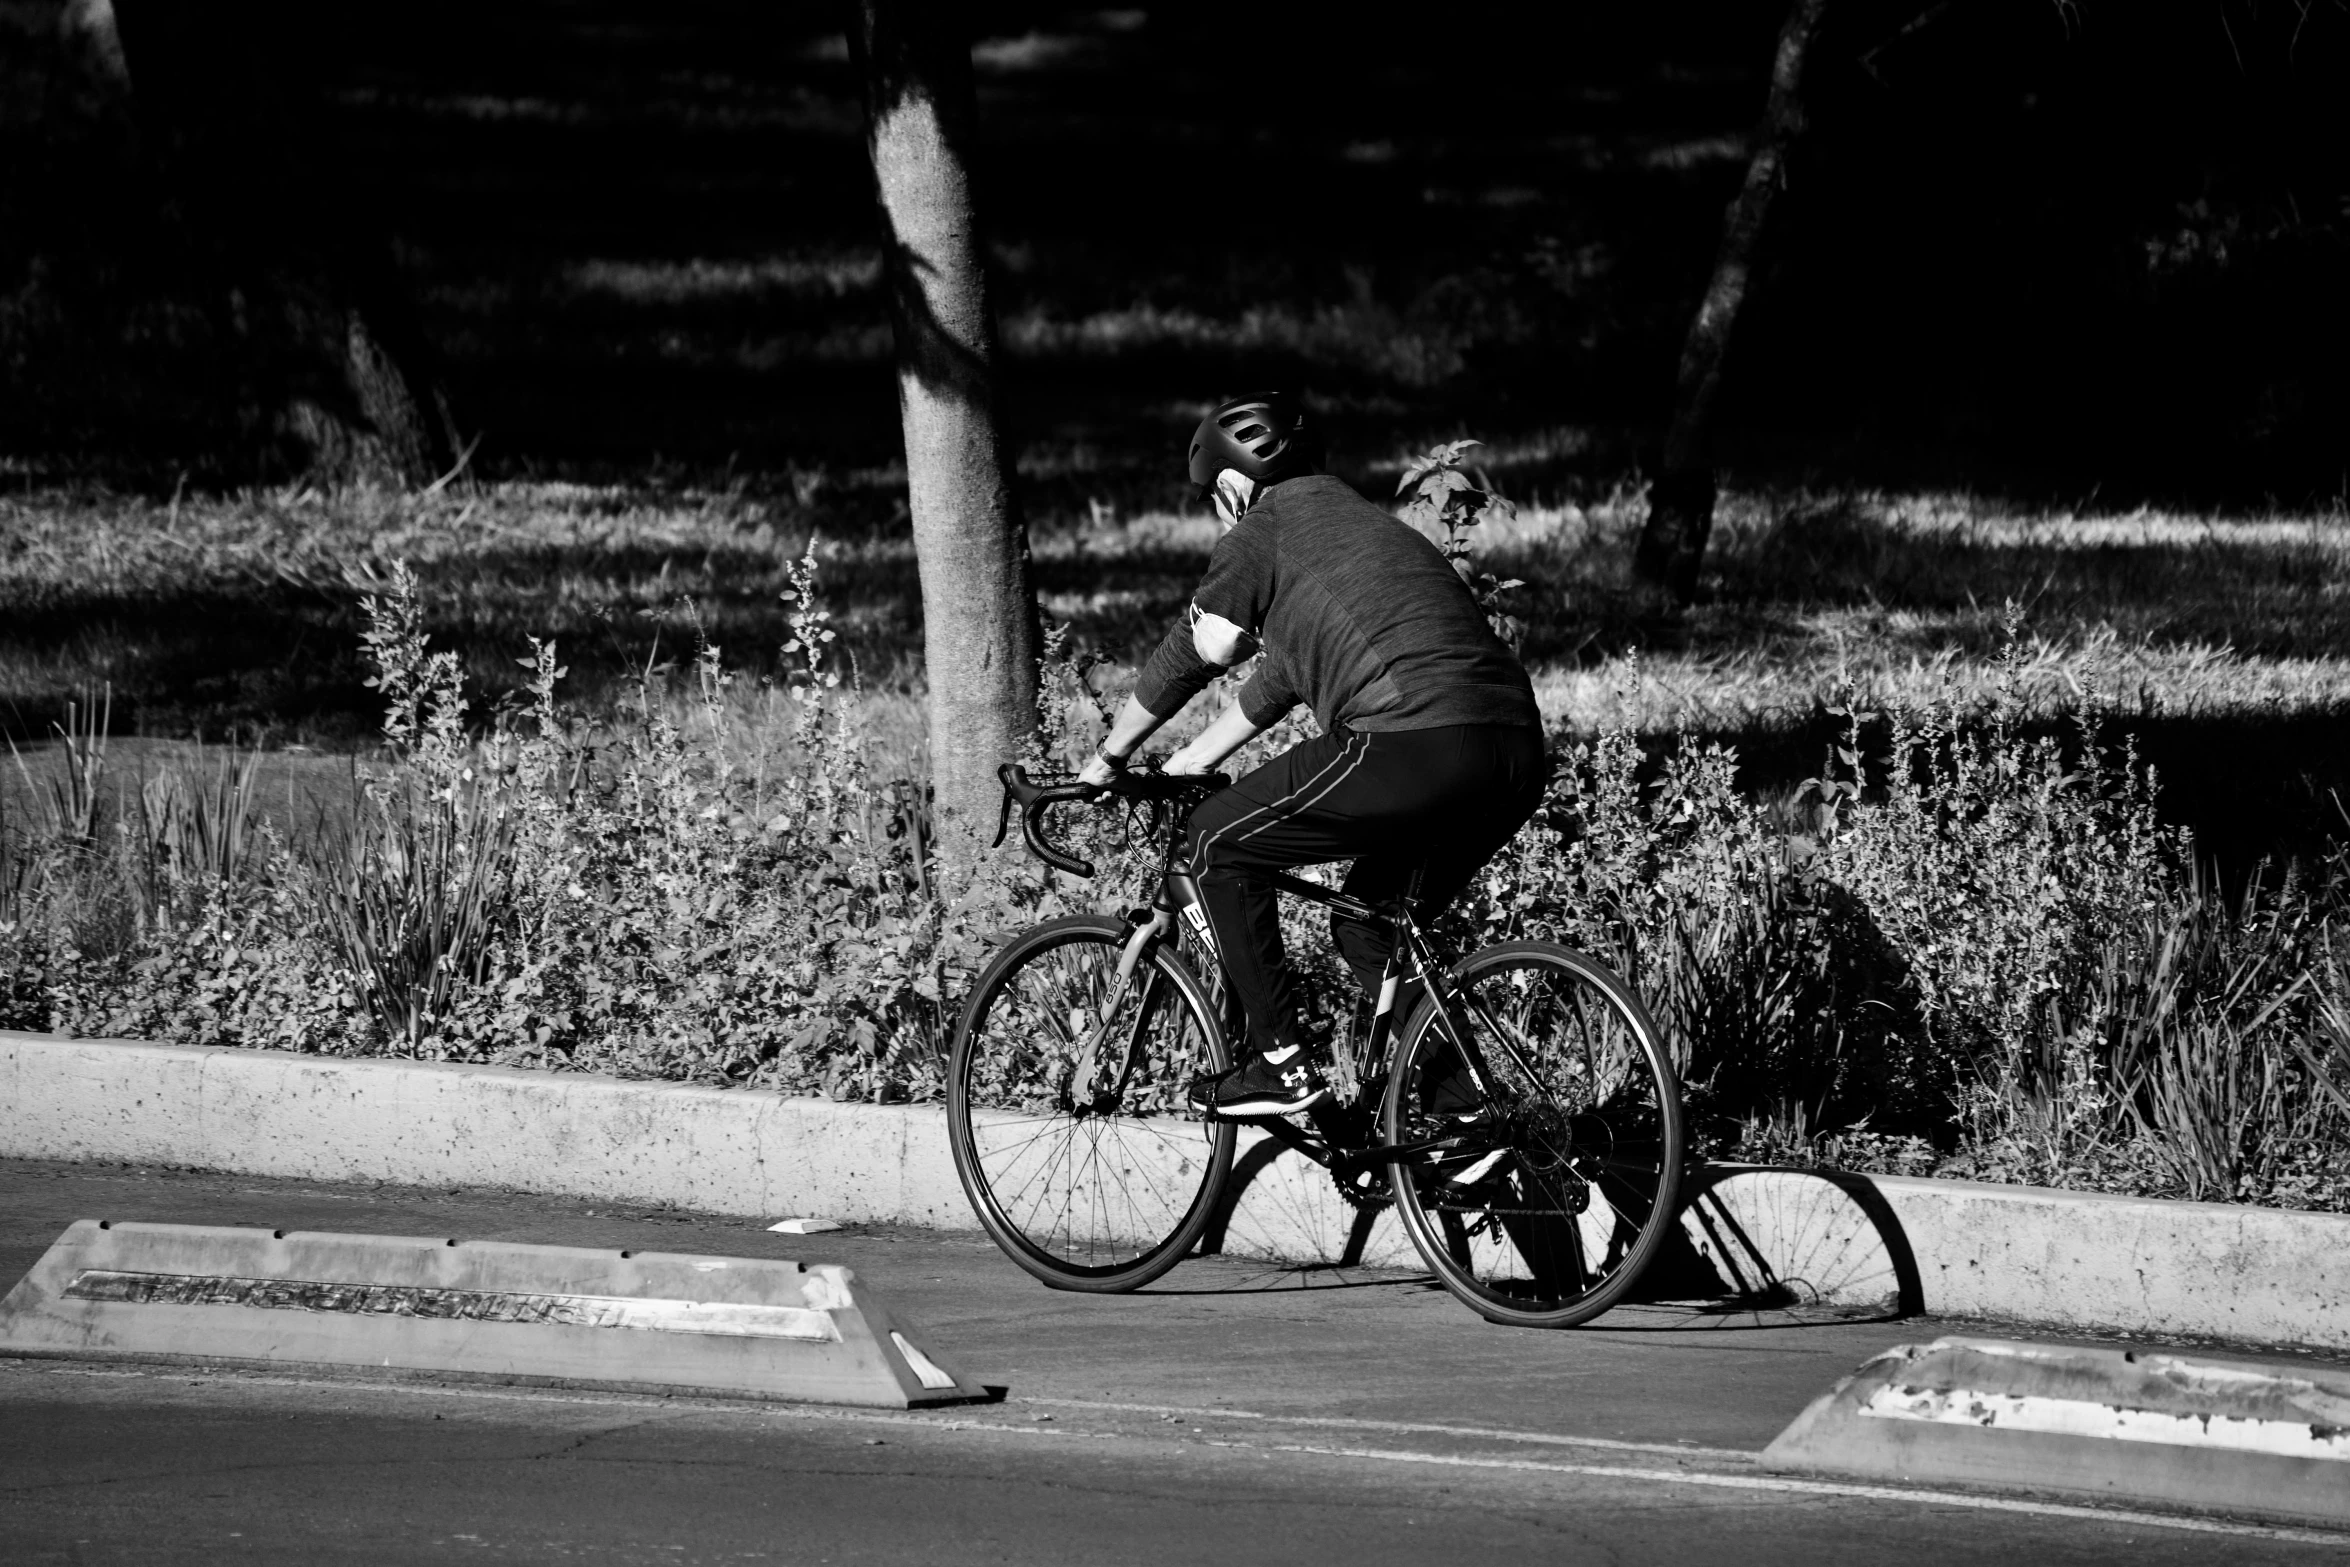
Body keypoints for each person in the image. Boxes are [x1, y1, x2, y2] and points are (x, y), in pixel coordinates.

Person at [1077, 392, 1547, 1117]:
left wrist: (1110, 756)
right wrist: (1187, 761)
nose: (1214, 513)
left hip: (1408, 739)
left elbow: (1203, 648)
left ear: (1234, 483)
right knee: (1369, 923)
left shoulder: (1264, 528)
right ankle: (1470, 1122)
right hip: (1512, 750)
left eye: (1211, 497)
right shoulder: (1365, 529)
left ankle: (1280, 1067)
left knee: (1215, 843)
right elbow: (1281, 679)